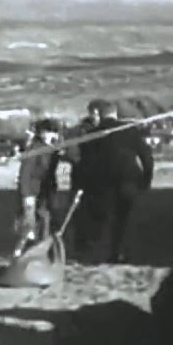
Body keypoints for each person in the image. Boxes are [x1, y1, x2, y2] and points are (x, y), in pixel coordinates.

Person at [77, 101, 154, 264]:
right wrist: (147, 178)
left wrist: (83, 184)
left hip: (102, 182)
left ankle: (97, 252)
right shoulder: (130, 130)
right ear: (115, 114)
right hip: (128, 178)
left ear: (100, 115)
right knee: (123, 217)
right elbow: (146, 156)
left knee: (103, 217)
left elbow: (85, 162)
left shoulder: (93, 134)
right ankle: (118, 252)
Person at [61, 99, 108, 259]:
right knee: (79, 209)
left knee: (99, 208)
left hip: (101, 176)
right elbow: (71, 150)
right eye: (93, 113)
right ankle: (81, 243)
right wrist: (81, 161)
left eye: (98, 113)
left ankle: (96, 239)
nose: (96, 116)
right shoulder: (79, 131)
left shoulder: (108, 129)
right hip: (81, 174)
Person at [13, 118, 63, 257]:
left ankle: (42, 250)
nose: (52, 135)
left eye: (54, 132)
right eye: (49, 132)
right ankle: (22, 253)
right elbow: (25, 173)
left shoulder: (53, 148)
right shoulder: (35, 148)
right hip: (32, 191)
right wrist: (26, 195)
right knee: (29, 225)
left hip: (46, 191)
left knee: (46, 220)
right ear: (41, 132)